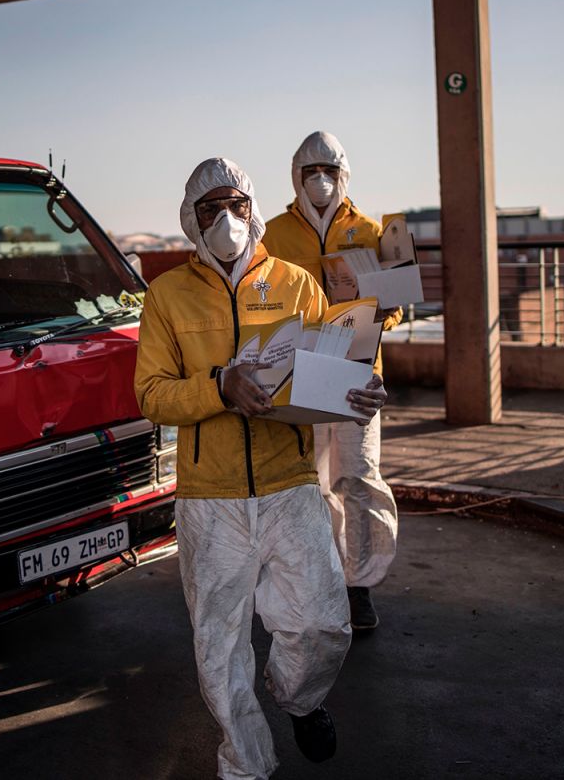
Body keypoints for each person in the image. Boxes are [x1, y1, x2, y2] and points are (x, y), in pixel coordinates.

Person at [135, 158, 386, 780]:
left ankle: (300, 699)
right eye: (210, 208)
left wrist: (360, 388)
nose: (226, 219)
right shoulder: (167, 296)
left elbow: (333, 366)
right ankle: (245, 761)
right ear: (191, 221)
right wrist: (219, 387)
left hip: (290, 483)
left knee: (325, 623)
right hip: (209, 498)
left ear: (254, 209)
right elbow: (151, 394)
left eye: (236, 205)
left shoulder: (298, 283)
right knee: (219, 650)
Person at [261, 131, 400, 631]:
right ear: (295, 177)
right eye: (309, 171)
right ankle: (322, 578)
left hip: (359, 374)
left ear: (344, 174)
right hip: (302, 373)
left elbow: (398, 305)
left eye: (329, 171)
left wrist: (387, 308)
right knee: (312, 482)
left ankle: (359, 583)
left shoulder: (371, 229)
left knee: (358, 477)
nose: (320, 181)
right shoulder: (272, 233)